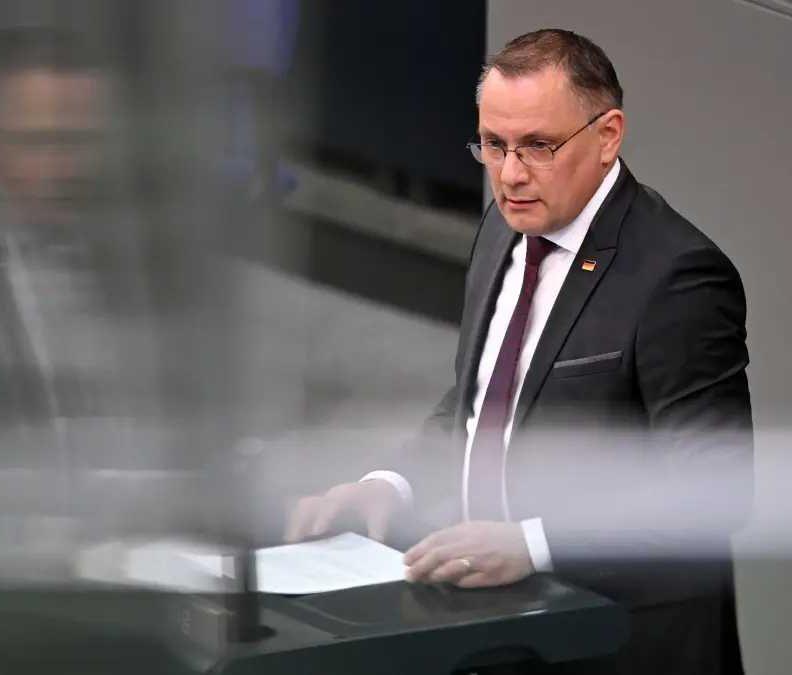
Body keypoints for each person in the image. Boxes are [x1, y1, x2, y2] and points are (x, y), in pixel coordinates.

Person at [285, 29, 752, 675]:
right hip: (509, 624)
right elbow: (477, 404)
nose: (510, 174)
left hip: (620, 640)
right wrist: (388, 485)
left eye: (539, 146)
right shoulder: (504, 227)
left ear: (608, 134)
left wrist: (535, 543)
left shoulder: (677, 277)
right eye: (494, 145)